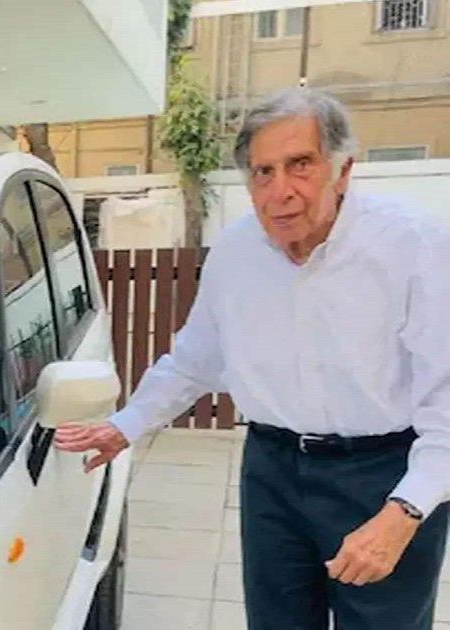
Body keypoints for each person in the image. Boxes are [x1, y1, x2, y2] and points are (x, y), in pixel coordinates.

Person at [55, 87, 449, 629]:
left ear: (343, 170)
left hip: (382, 472)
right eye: (263, 172)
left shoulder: (414, 245)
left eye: (300, 164)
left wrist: (407, 510)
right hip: (273, 469)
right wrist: (126, 425)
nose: (280, 190)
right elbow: (195, 359)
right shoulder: (237, 252)